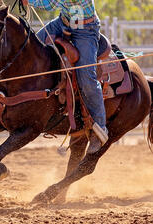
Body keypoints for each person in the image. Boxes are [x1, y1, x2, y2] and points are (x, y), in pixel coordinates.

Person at [22, 0, 108, 154]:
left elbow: (50, 4)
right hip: (62, 23)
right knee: (31, 49)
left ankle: (100, 128)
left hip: (85, 30)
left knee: (87, 78)